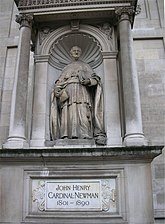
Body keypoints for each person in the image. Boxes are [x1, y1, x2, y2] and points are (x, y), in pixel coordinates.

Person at [50, 46, 106, 145]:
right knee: (68, 112)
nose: (76, 52)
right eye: (74, 51)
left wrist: (88, 81)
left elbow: (95, 79)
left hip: (82, 91)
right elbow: (60, 81)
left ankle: (85, 134)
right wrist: (57, 89)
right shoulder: (66, 68)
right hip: (69, 92)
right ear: (70, 53)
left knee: (83, 111)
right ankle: (66, 134)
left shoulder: (85, 66)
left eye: (78, 51)